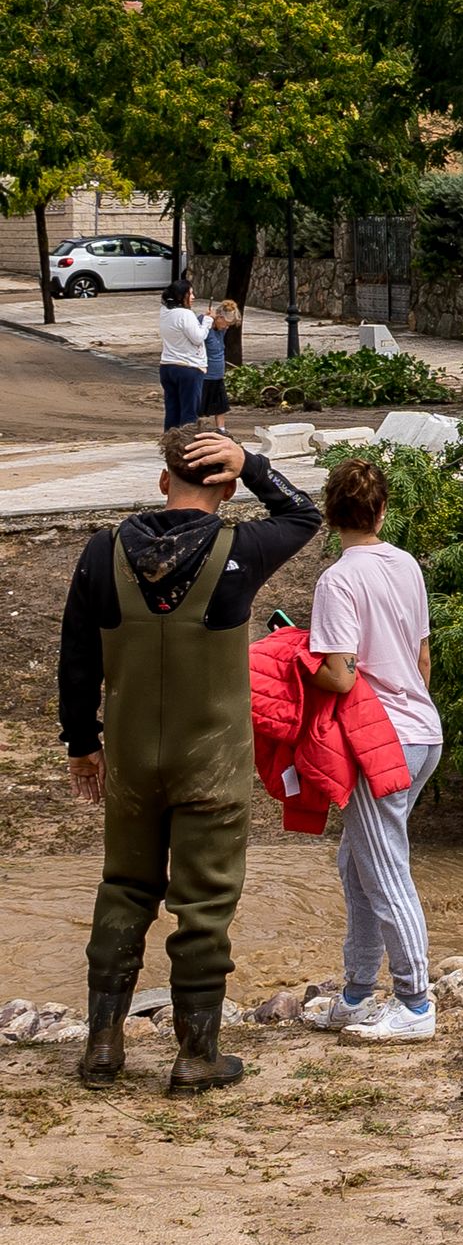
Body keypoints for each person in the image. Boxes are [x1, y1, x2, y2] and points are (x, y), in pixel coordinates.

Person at [60, 427, 322, 1091]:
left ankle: (102, 1047)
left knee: (123, 888)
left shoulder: (102, 552)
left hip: (129, 763)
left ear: (160, 482)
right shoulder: (240, 550)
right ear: (227, 486)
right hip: (211, 764)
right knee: (204, 905)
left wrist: (82, 745)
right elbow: (303, 514)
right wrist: (254, 462)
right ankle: (196, 1055)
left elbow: (77, 659)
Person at [302, 457, 443, 1043]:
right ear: (382, 510)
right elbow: (423, 659)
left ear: (331, 514)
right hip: (422, 733)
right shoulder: (405, 564)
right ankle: (358, 991)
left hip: (377, 742)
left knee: (383, 867)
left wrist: (296, 668)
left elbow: (336, 674)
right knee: (357, 861)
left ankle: (414, 1002)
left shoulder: (338, 580)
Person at [158, 279, 213, 430]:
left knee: (172, 411)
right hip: (188, 368)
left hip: (167, 367)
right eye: (190, 293)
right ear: (182, 295)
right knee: (189, 412)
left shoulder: (165, 312)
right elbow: (198, 338)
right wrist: (207, 321)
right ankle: (187, 447)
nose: (193, 297)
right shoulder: (185, 314)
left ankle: (170, 446)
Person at [202, 301, 240, 432]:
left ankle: (221, 429)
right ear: (219, 317)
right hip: (205, 375)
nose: (227, 328)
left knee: (221, 405)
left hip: (218, 375)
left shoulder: (221, 330)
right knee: (200, 404)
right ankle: (193, 428)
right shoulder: (205, 327)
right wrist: (206, 319)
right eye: (226, 324)